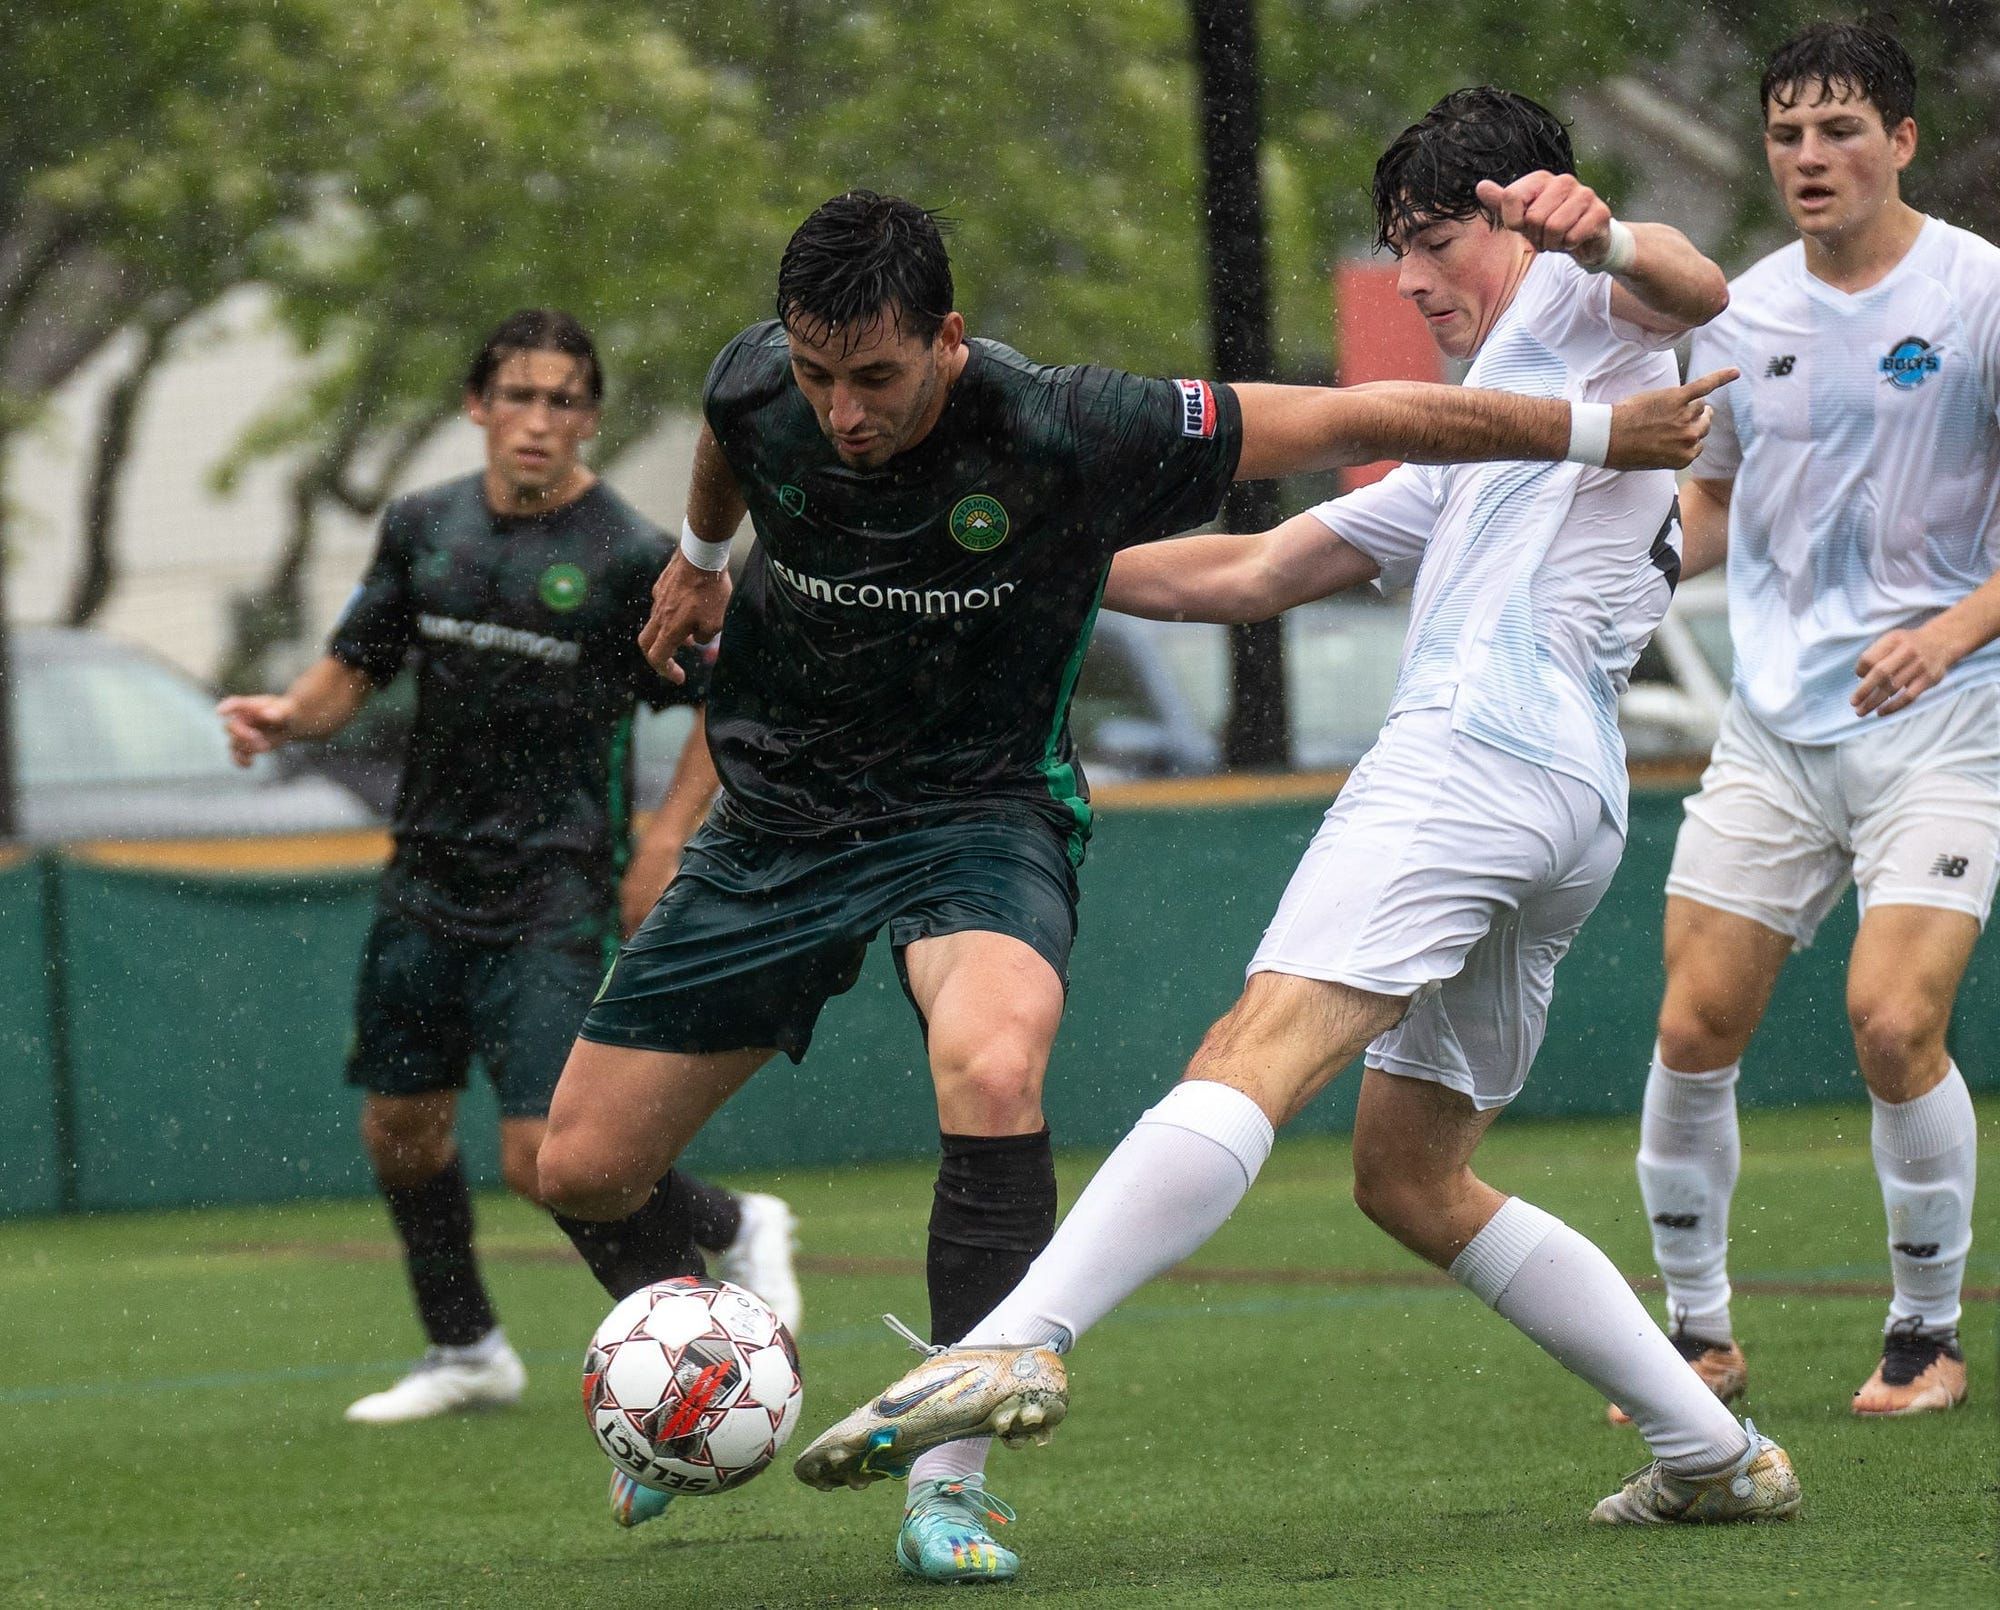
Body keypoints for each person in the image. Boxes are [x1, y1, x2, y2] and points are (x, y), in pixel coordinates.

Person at [530, 188, 1724, 1579]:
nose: (842, 412)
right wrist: (700, 560)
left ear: (950, 342)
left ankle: (950, 1483)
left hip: (975, 813)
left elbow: (1349, 421)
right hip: (780, 816)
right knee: (584, 1168)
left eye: (875, 378)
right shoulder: (761, 382)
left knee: (994, 1063)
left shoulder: (1074, 422)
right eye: (817, 376)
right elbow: (733, 446)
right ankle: (706, 1354)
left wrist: (1600, 431)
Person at [795, 93, 1798, 1559]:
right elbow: (1248, 571)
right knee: (1409, 1171)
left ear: (1529, 207)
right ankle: (1710, 1448)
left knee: (1248, 1054)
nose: (1409, 277)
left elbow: (1691, 295)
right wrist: (1004, 546)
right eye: (1398, 246)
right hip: (1564, 802)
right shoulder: (1484, 447)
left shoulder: (1584, 308)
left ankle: (1023, 1334)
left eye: (1433, 236)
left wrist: (1614, 231)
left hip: (1471, 759)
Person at [217, 310, 799, 1434]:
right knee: (401, 1127)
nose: (540, 420)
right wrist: (287, 716)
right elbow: (355, 667)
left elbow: (723, 701)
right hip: (425, 877)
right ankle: (467, 1346)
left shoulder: (631, 555)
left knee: (543, 1154)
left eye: (564, 400)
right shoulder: (423, 527)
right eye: (518, 396)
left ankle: (705, 1314)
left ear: (589, 417)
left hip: (554, 883)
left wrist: (669, 833)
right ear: (477, 406)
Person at [1615, 20, 1998, 1426]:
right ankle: (1699, 1337)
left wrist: (1952, 629)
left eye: (1841, 131)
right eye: (1786, 134)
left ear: (1903, 140)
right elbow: (1708, 499)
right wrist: (1618, 575)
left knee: (1893, 1021)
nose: (1810, 157)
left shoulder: (1980, 295)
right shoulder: (1740, 311)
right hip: (1776, 730)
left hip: (1950, 720)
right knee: (1694, 1021)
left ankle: (1925, 1332)